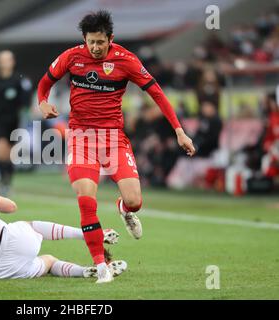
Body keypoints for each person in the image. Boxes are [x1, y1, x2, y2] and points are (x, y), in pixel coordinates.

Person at [37, 10, 196, 283]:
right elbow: (45, 83)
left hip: (113, 139)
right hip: (81, 138)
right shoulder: (71, 57)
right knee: (87, 202)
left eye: (101, 42)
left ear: (111, 38)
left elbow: (156, 93)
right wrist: (43, 102)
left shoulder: (126, 60)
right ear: (84, 40)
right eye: (91, 42)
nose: (96, 48)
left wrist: (180, 132)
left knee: (135, 201)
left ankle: (123, 209)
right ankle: (101, 267)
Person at [0, 162, 127, 281]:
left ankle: (83, 271)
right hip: (12, 240)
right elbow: (11, 207)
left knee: (49, 261)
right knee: (29, 225)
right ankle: (86, 234)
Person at [0, 50, 32, 195]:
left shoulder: (18, 80)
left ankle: (7, 181)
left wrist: (27, 110)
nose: (4, 63)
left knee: (8, 155)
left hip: (14, 121)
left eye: (7, 60)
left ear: (12, 62)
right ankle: (2, 182)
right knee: (0, 149)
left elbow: (25, 101)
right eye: (2, 60)